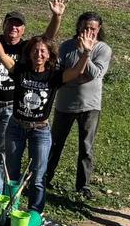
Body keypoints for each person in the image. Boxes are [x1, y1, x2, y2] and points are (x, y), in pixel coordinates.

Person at [0, 0, 66, 189]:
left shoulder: (26, 49)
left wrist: (56, 17)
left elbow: (47, 38)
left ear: (24, 30)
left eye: (18, 25)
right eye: (10, 23)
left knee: (2, 151)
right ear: (4, 25)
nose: (13, 27)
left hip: (11, 107)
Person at [0, 32, 94, 212]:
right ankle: (10, 211)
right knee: (11, 173)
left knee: (38, 176)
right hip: (16, 127)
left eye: (43, 51)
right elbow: (3, 57)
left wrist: (86, 53)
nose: (39, 54)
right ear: (29, 53)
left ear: (49, 55)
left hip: (40, 130)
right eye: (35, 50)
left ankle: (35, 213)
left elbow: (76, 72)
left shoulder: (54, 75)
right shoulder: (20, 70)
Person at [46, 12, 113, 198]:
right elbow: (59, 73)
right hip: (64, 103)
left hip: (90, 105)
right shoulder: (66, 46)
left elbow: (95, 74)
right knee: (55, 143)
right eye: (85, 28)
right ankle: (45, 177)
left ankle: (83, 186)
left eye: (93, 28)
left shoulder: (103, 49)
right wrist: (77, 73)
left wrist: (86, 53)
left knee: (86, 147)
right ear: (79, 27)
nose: (88, 32)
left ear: (99, 29)